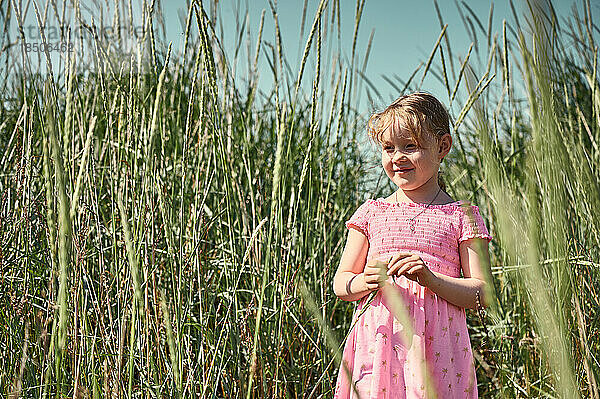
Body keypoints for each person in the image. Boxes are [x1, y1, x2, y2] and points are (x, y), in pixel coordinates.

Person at [332, 92, 493, 399]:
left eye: (410, 146)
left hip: (439, 350)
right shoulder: (371, 212)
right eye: (388, 148)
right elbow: (342, 283)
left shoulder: (462, 215)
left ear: (442, 146)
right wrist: (365, 281)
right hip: (379, 345)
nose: (397, 157)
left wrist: (431, 279)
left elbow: (482, 293)